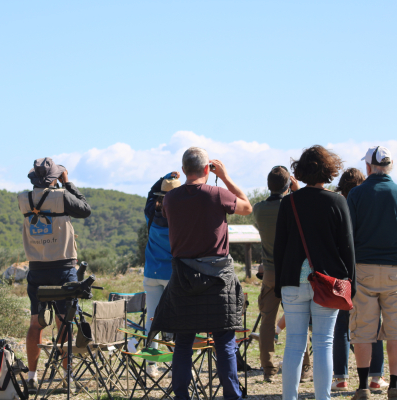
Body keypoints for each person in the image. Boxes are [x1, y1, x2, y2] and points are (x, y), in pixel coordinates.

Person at [149, 147, 253, 400]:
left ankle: (183, 396)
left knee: (183, 343)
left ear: (183, 169)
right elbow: (247, 207)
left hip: (183, 278)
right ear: (208, 169)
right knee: (224, 343)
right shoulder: (217, 195)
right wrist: (226, 178)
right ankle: (232, 396)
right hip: (219, 280)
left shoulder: (171, 199)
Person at [274, 145, 356, 400]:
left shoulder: (289, 202)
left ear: (301, 170)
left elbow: (280, 246)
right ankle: (323, 398)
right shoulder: (338, 201)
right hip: (327, 282)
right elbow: (347, 247)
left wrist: (280, 285)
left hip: (292, 282)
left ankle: (289, 398)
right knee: (323, 343)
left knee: (294, 345)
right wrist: (349, 282)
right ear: (328, 170)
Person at [17, 157, 91, 392]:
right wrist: (67, 182)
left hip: (36, 267)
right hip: (63, 267)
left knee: (35, 324)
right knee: (64, 321)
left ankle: (31, 376)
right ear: (53, 177)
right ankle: (67, 376)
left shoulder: (23, 199)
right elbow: (85, 209)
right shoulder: (60, 197)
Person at [252, 166, 312, 383]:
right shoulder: (295, 206)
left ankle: (268, 368)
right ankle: (304, 367)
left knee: (267, 320)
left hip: (269, 271)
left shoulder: (258, 209)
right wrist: (296, 191)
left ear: (269, 185)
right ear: (288, 185)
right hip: (293, 272)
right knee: (298, 320)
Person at [348, 146, 397, 400]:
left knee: (363, 330)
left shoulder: (356, 193)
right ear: (389, 166)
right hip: (395, 270)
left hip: (364, 269)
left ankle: (363, 387)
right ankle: (395, 385)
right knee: (395, 330)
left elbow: (347, 235)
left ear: (368, 167)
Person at [332, 167, 387, 391]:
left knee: (341, 327)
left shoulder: (336, 205)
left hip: (340, 272)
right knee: (373, 326)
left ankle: (341, 378)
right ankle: (376, 378)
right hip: (364, 270)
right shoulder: (367, 205)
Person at [142, 171, 181, 377]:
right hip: (172, 275)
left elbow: (150, 193)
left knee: (152, 319)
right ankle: (180, 362)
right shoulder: (180, 217)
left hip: (151, 273)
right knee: (178, 320)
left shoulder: (151, 212)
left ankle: (151, 364)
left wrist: (164, 178)